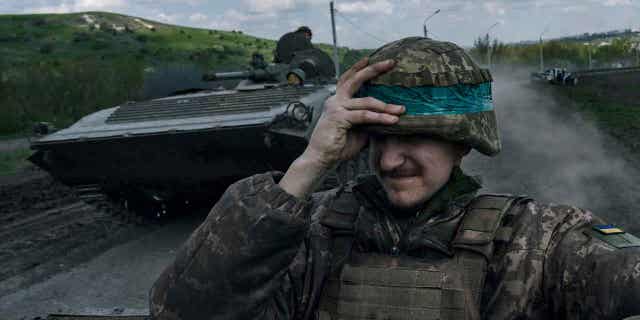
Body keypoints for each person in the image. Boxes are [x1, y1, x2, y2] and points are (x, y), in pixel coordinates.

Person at [149, 37, 640, 319]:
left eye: (414, 139)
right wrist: (309, 164)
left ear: (463, 142)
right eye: (378, 139)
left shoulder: (535, 241)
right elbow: (181, 310)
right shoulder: (309, 234)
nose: (388, 162)